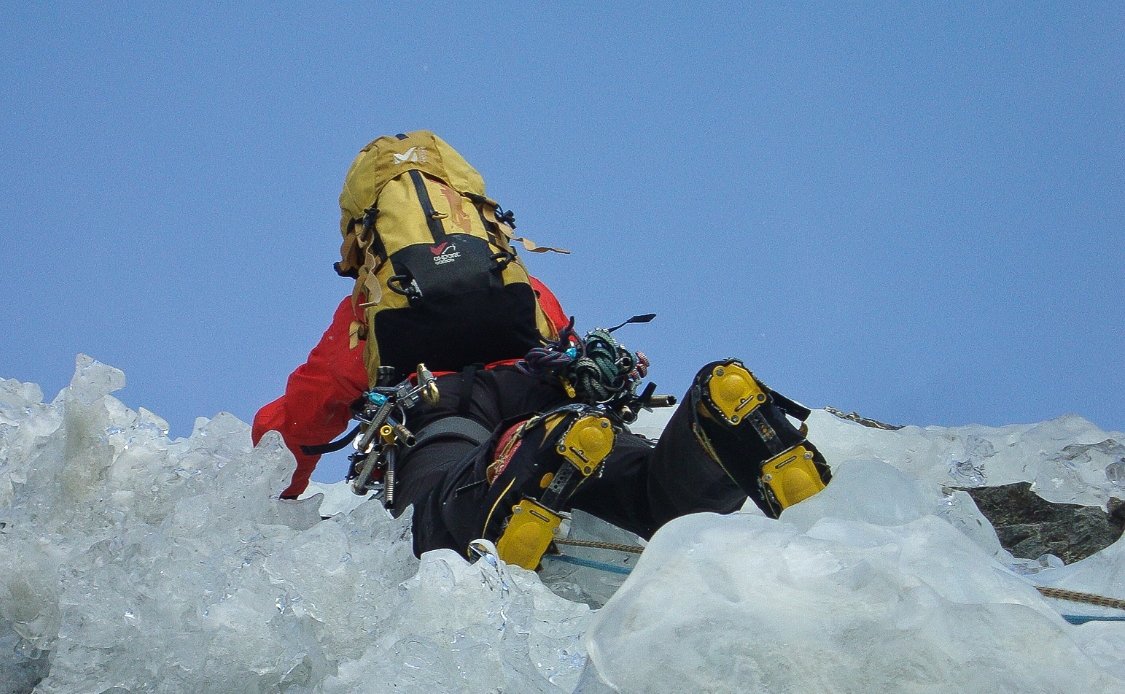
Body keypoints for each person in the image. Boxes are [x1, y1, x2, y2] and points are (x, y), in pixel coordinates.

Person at [253, 131, 829, 567]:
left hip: (442, 412)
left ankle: (530, 455)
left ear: (362, 232)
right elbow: (566, 347)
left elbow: (305, 417)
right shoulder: (515, 277)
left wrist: (266, 487)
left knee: (437, 517)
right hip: (545, 391)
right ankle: (715, 426)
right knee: (651, 495)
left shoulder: (367, 309)